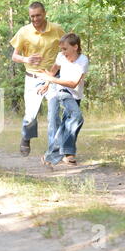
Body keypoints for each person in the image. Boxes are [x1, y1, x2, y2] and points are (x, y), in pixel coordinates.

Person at [10, 2, 65, 157]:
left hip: (53, 77)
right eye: (32, 16)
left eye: (38, 15)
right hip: (32, 78)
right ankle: (26, 137)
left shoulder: (56, 29)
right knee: (30, 115)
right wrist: (26, 59)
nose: (35, 19)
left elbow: (65, 51)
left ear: (45, 13)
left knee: (53, 114)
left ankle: (54, 151)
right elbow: (14, 56)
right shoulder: (24, 32)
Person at [37, 33, 89, 166]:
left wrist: (51, 79)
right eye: (61, 49)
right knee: (77, 117)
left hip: (75, 93)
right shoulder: (61, 57)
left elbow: (73, 84)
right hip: (62, 91)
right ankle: (62, 153)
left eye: (65, 49)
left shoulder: (83, 60)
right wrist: (47, 84)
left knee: (68, 123)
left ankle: (59, 155)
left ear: (75, 47)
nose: (62, 52)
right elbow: (54, 70)